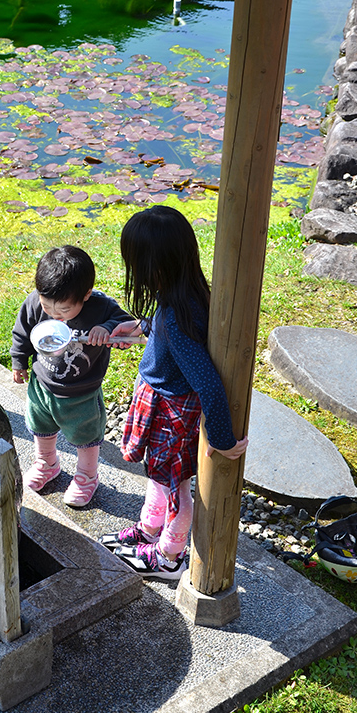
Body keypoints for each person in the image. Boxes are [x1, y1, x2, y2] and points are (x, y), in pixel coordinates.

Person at [99, 206, 248, 580]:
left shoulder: (176, 320)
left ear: (155, 268)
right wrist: (140, 327)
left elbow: (208, 382)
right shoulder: (181, 298)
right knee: (158, 475)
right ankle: (150, 530)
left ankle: (169, 556)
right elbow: (171, 334)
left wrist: (222, 438)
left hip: (170, 413)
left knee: (174, 486)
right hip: (162, 404)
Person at [11, 245, 130, 507]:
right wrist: (19, 361)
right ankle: (46, 464)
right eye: (47, 307)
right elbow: (22, 333)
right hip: (42, 384)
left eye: (64, 310)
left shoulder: (101, 307)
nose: (54, 315)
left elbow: (126, 324)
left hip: (81, 392)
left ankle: (87, 476)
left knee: (85, 436)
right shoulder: (36, 301)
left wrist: (106, 328)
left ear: (86, 295)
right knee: (41, 428)